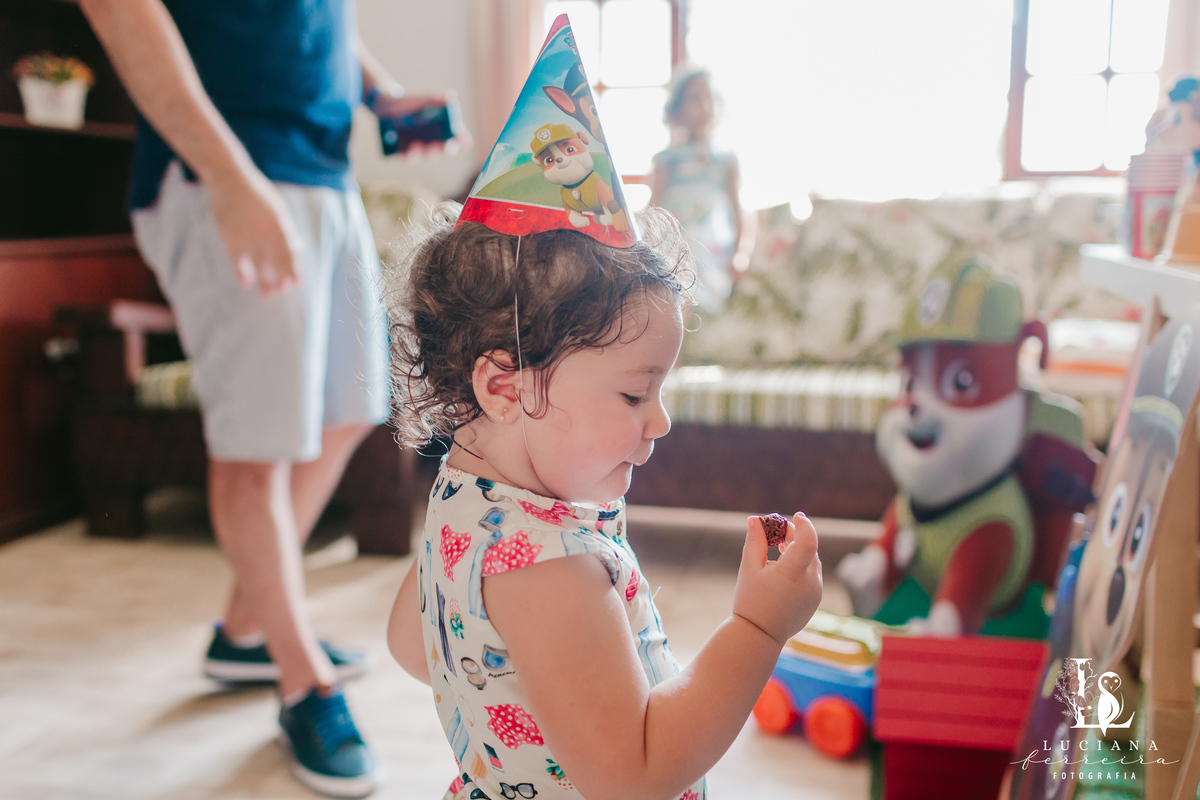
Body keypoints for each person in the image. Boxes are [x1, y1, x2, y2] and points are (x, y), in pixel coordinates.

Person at [78, 1, 466, 795]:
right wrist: (227, 174)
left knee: (359, 406)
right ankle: (304, 686)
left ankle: (247, 628)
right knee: (255, 450)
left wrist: (379, 92)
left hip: (323, 171)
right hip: (229, 168)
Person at [384, 202, 823, 800]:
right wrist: (759, 628)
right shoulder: (549, 567)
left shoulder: (461, 499)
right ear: (504, 387)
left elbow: (415, 648)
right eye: (634, 394)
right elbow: (632, 778)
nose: (660, 420)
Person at [650, 67, 748, 315]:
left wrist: (739, 252)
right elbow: (654, 207)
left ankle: (680, 317)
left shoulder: (725, 161)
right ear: (677, 111)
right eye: (695, 99)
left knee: (691, 249)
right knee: (672, 259)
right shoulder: (666, 160)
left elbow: (738, 211)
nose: (704, 105)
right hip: (674, 236)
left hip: (710, 243)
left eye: (709, 98)